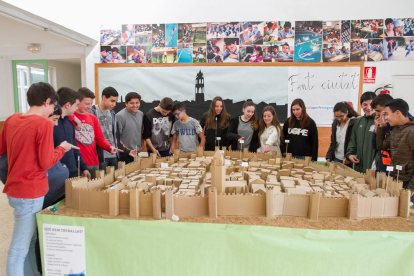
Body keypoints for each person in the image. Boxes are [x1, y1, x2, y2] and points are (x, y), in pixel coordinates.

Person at [0, 82, 78, 276]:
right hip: (31, 191)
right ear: (47, 101)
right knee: (18, 249)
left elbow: (3, 151)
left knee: (31, 240)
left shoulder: (11, 119)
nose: (53, 111)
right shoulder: (42, 124)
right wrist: (62, 148)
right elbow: (46, 162)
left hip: (16, 189)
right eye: (53, 106)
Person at [70, 88, 122, 179]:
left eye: (91, 103)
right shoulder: (70, 117)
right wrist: (72, 117)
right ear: (77, 101)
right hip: (79, 163)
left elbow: (100, 138)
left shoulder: (92, 117)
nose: (90, 107)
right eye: (87, 104)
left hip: (94, 162)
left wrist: (109, 147)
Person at [89, 87, 135, 171]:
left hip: (114, 155)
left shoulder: (112, 113)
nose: (114, 104)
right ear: (104, 98)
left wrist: (126, 151)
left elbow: (116, 137)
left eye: (115, 101)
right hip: (100, 156)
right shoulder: (92, 112)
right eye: (112, 101)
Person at [376, 99, 414, 201]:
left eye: (387, 114)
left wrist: (412, 187)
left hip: (408, 181)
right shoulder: (396, 130)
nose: (386, 117)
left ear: (398, 113)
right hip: (396, 178)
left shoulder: (412, 131)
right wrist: (382, 126)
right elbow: (381, 146)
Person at [53, 87, 90, 179]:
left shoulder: (69, 123)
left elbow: (75, 148)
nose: (77, 108)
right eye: (76, 105)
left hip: (73, 173)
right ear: (68, 105)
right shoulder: (52, 125)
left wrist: (83, 167)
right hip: (58, 175)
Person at [345, 92, 377, 173]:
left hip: (372, 166)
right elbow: (353, 140)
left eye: (371, 104)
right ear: (361, 105)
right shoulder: (359, 121)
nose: (368, 107)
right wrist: (350, 154)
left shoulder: (379, 121)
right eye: (365, 104)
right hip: (358, 165)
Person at [116, 92, 144, 164]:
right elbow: (117, 137)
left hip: (136, 152)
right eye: (132, 103)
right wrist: (127, 150)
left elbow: (140, 131)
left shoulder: (140, 114)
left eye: (137, 103)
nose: (135, 105)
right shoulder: (120, 116)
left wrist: (142, 145)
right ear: (126, 103)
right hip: (124, 154)